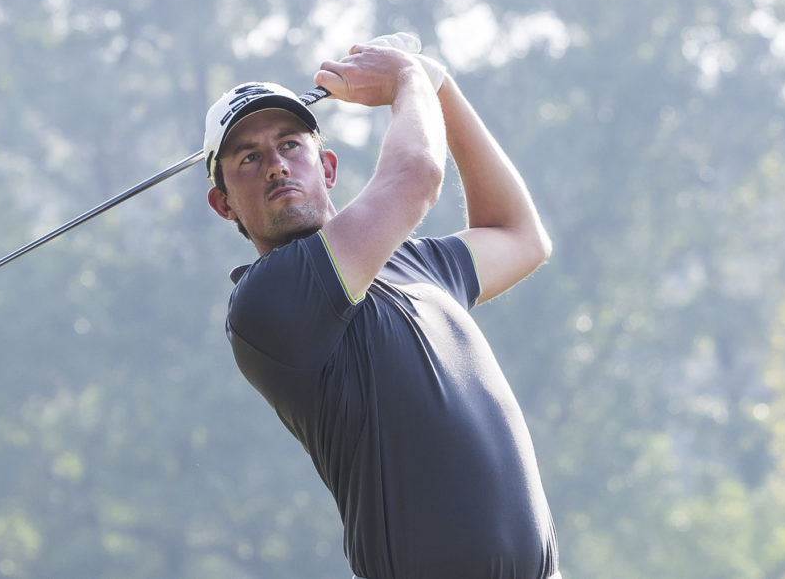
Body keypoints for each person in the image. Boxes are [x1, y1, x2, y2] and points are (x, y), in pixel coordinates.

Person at [203, 33, 560, 579]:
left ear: (327, 168)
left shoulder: (416, 263)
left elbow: (521, 235)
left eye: (290, 145)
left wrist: (440, 86)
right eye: (249, 158)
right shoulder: (268, 301)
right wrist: (409, 79)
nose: (275, 166)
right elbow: (416, 176)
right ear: (223, 204)